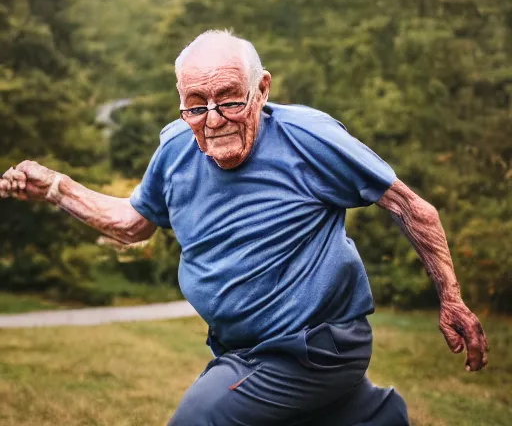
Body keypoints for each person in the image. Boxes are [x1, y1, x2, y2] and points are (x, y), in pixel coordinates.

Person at [0, 30, 489, 425]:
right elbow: (132, 224)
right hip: (243, 345)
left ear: (262, 89)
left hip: (315, 344)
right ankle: (370, 416)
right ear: (180, 103)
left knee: (203, 417)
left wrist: (451, 299)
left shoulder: (308, 138)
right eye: (196, 104)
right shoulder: (174, 149)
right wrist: (56, 188)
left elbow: (411, 207)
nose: (213, 120)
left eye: (230, 100)